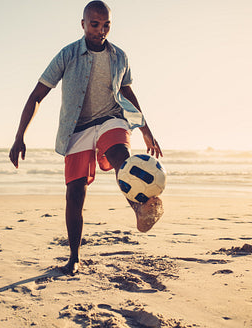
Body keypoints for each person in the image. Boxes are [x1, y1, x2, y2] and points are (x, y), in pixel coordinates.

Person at [9, 1, 163, 275]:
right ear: (83, 24)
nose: (101, 31)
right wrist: (19, 136)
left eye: (106, 26)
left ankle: (141, 207)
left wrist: (145, 129)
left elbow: (128, 95)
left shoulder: (119, 57)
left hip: (110, 118)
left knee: (121, 158)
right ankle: (74, 257)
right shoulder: (67, 55)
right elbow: (37, 96)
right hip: (76, 128)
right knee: (75, 194)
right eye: (95, 24)